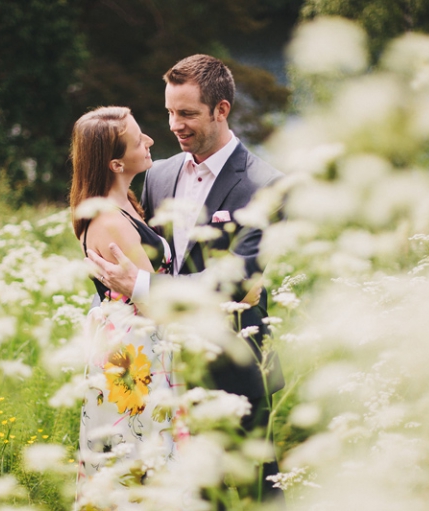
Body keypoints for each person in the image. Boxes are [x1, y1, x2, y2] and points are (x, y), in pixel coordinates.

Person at [86, 54, 285, 504]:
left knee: (261, 494)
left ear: (221, 109)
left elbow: (235, 282)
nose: (175, 124)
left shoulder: (265, 185)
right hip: (168, 377)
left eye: (188, 113)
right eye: (170, 112)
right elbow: (151, 255)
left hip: (237, 372)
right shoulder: (158, 175)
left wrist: (141, 286)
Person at [69, 106, 178, 498]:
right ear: (116, 162)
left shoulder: (126, 203)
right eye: (138, 140)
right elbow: (152, 299)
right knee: (138, 462)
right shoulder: (111, 221)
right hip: (135, 357)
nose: (149, 141)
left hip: (137, 346)